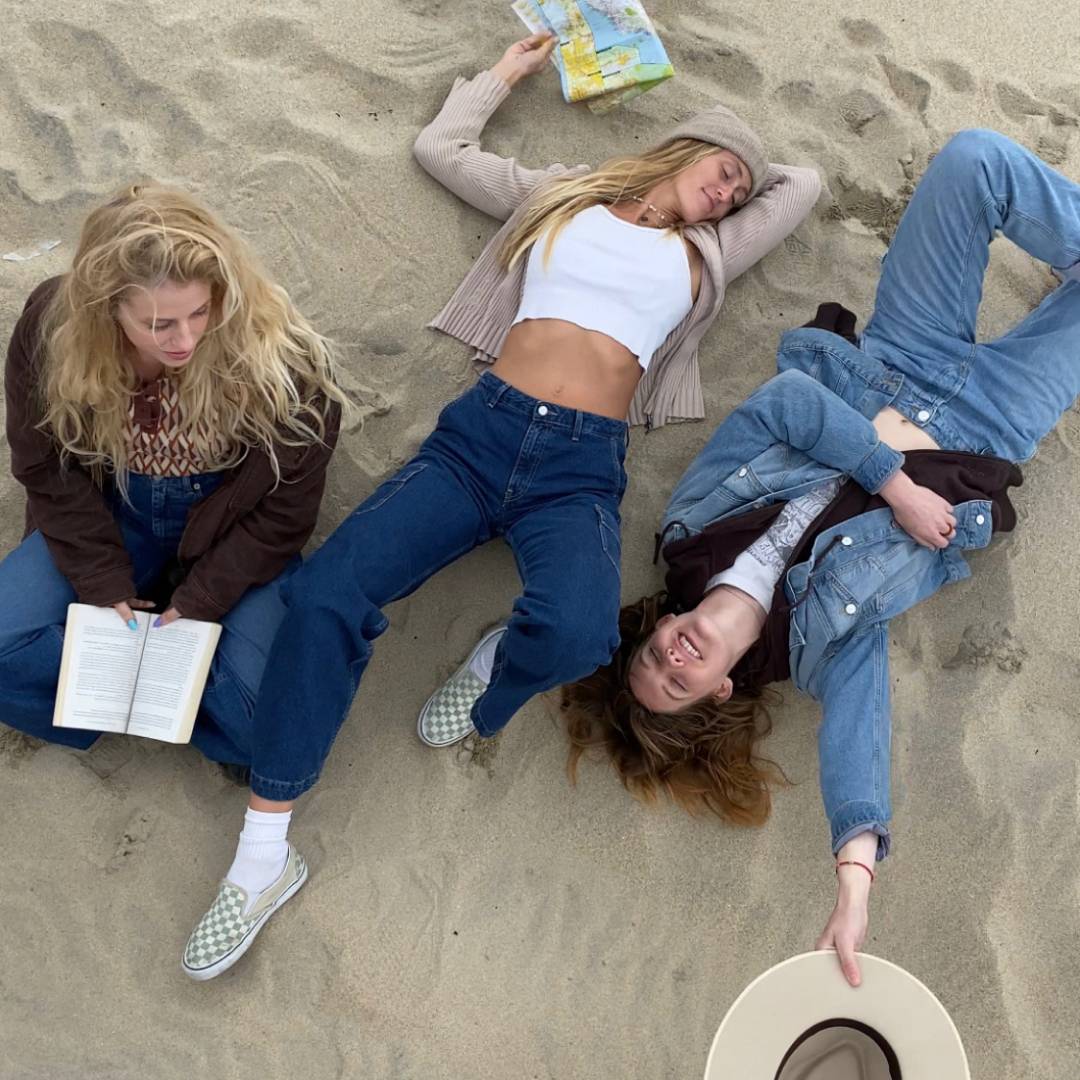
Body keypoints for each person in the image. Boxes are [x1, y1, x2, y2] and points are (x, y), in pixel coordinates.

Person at [179, 31, 821, 981]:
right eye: (721, 172)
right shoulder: (562, 194)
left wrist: (742, 176)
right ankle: (262, 859)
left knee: (575, 637)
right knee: (325, 597)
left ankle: (493, 668)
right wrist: (507, 77)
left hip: (579, 466)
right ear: (684, 148)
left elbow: (799, 183)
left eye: (734, 191)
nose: (728, 194)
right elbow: (441, 152)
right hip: (479, 438)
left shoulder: (710, 250)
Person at [561, 128, 1080, 988]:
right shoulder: (821, 650)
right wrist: (855, 880)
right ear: (721, 690)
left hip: (894, 359)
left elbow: (789, 401)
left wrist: (892, 484)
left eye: (654, 655)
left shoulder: (690, 526)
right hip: (985, 429)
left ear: (657, 626)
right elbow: (858, 734)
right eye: (680, 682)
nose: (673, 656)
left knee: (972, 161)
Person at [0, 183, 347, 792]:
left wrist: (203, 598)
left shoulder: (282, 358)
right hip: (115, 508)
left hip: (228, 523)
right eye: (157, 323)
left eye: (199, 313)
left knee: (271, 717)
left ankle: (176, 692)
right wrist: (101, 579)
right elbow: (43, 467)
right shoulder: (53, 327)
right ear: (108, 308)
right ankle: (113, 696)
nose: (184, 339)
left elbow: (286, 513)